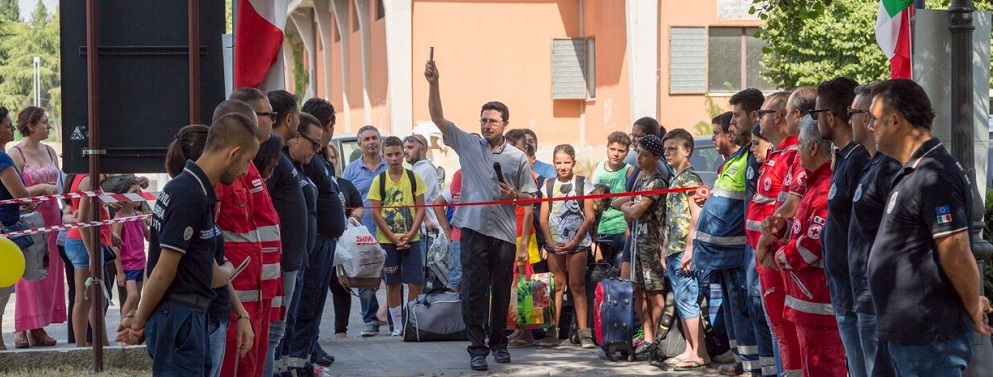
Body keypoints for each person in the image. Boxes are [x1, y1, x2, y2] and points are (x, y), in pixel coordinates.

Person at [867, 79, 993, 375]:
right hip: (905, 335)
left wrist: (973, 303)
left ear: (895, 120)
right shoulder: (914, 171)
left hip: (928, 339)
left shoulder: (935, 174)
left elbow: (957, 252)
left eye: (874, 119)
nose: (870, 127)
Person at [117, 114, 258, 375]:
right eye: (248, 161)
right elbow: (163, 269)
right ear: (233, 153)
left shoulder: (193, 189)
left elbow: (170, 262)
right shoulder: (189, 194)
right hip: (180, 317)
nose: (246, 171)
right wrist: (140, 320)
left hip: (186, 316)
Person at [426, 59, 537, 371]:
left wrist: (513, 195)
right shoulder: (469, 144)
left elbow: (530, 196)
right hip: (472, 230)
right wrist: (434, 83)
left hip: (503, 233)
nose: (486, 124)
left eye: (493, 121)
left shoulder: (517, 158)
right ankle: (477, 348)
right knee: (474, 291)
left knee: (501, 290)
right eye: (483, 119)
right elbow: (438, 117)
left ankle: (499, 342)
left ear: (504, 124)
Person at [694, 88, 768, 377]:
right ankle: (744, 363)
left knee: (750, 313)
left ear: (753, 115)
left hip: (742, 254)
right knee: (735, 313)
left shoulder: (755, 158)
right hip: (727, 256)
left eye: (735, 116)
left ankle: (755, 367)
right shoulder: (739, 160)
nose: (731, 123)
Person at [212, 93, 280, 377]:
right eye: (268, 115)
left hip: (258, 290)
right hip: (239, 293)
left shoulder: (248, 163)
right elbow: (210, 241)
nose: (271, 122)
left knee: (252, 367)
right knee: (235, 366)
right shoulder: (226, 170)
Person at [773, 115, 845, 376]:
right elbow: (804, 230)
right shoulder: (815, 185)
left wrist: (780, 254)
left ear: (813, 147)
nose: (797, 152)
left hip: (819, 307)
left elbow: (812, 246)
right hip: (808, 305)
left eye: (801, 144)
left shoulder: (824, 188)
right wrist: (783, 230)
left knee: (823, 368)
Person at [812, 77, 872, 377]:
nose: (816, 120)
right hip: (844, 290)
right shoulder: (847, 159)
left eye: (816, 114)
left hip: (856, 291)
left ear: (830, 117)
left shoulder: (861, 160)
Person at [745, 91, 803, 377]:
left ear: (778, 116)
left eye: (762, 114)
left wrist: (767, 245)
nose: (758, 119)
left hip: (775, 259)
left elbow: (787, 209)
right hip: (763, 258)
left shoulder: (793, 155)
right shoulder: (776, 155)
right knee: (777, 327)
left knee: (785, 328)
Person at [846, 82, 897, 377]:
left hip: (876, 297)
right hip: (861, 295)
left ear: (867, 118)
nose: (850, 118)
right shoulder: (871, 165)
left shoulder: (888, 169)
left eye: (853, 112)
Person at [293, 98, 347, 368]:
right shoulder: (307, 158)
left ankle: (308, 352)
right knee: (307, 305)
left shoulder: (320, 156)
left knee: (313, 306)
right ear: (329, 125)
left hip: (325, 241)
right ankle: (299, 362)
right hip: (315, 243)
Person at [7, 106, 65, 349]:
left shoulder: (51, 150)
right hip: (28, 219)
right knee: (27, 274)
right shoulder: (16, 153)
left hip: (52, 219)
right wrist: (41, 188)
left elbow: (61, 181)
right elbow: (11, 191)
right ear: (30, 125)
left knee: (47, 274)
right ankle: (22, 327)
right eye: (43, 122)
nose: (48, 126)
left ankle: (39, 326)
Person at [263, 89, 309, 375]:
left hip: (288, 258)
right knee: (272, 334)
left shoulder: (280, 155)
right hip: (279, 260)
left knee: (276, 332)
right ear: (290, 118)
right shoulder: (273, 156)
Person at [613, 134, 668, 358]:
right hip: (636, 241)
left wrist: (629, 205)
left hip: (651, 243)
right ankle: (646, 336)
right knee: (637, 292)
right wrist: (629, 205)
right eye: (639, 153)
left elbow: (634, 210)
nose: (639, 158)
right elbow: (618, 202)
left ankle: (658, 338)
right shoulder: (639, 180)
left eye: (645, 154)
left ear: (655, 157)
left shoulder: (657, 181)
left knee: (654, 291)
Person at [537, 144, 596, 349]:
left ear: (573, 163)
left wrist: (574, 241)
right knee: (557, 286)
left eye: (566, 162)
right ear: (553, 163)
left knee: (577, 286)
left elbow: (589, 217)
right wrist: (551, 242)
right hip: (555, 244)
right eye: (558, 162)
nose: (562, 167)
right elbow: (543, 218)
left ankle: (584, 332)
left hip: (578, 243)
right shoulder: (548, 185)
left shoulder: (583, 183)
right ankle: (552, 332)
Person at [659, 129, 709, 371]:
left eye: (673, 149)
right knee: (681, 300)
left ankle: (699, 353)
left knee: (689, 300)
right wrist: (664, 249)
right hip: (673, 248)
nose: (667, 153)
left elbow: (696, 216)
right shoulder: (675, 178)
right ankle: (690, 349)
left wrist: (689, 250)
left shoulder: (690, 179)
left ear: (687, 150)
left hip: (685, 249)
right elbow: (672, 218)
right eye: (666, 149)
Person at [368, 136, 428, 337]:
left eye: (397, 154)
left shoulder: (413, 178)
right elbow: (375, 212)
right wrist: (394, 238)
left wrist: (410, 235)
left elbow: (421, 208)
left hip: (412, 239)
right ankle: (397, 325)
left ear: (404, 153)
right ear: (383, 156)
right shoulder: (379, 180)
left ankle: (412, 320)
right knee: (392, 282)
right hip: (388, 241)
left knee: (415, 282)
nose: (394, 158)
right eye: (389, 154)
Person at [342, 125, 388, 337]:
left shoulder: (391, 165)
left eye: (375, 138)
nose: (371, 142)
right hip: (364, 234)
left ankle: (396, 317)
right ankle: (371, 320)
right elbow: (345, 200)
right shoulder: (351, 170)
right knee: (365, 276)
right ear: (359, 143)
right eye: (367, 139)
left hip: (390, 232)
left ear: (380, 141)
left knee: (393, 278)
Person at [0, 106, 32, 351]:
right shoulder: (2, 159)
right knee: (2, 291)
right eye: (8, 125)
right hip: (4, 230)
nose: (12, 128)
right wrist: (40, 190)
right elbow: (20, 195)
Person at [326, 143, 364, 339]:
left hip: (342, 244)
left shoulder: (345, 184)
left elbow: (358, 205)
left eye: (333, 157)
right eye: (326, 157)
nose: (330, 161)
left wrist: (353, 218)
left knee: (341, 285)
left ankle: (341, 330)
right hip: (322, 242)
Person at [590, 131, 633, 266]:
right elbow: (586, 194)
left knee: (616, 270)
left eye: (621, 150)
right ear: (607, 148)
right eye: (612, 149)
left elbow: (633, 199)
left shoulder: (629, 170)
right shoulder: (597, 167)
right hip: (596, 228)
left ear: (627, 153)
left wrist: (627, 231)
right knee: (597, 272)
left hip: (617, 228)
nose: (616, 154)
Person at [110, 178, 150, 319]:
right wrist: (120, 272)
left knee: (137, 298)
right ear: (123, 196)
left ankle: (130, 328)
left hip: (140, 262)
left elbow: (148, 236)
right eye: (134, 192)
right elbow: (115, 247)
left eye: (140, 191)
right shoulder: (119, 219)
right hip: (128, 265)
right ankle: (122, 326)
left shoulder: (139, 216)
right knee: (132, 296)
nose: (139, 194)